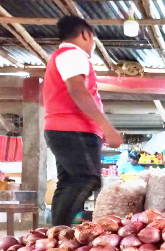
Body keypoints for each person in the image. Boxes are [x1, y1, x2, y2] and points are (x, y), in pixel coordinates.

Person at [44, 16, 124, 226]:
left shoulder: (61, 56)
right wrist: (107, 128)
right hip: (74, 128)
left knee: (70, 181)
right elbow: (78, 92)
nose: (93, 45)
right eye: (93, 40)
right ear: (86, 35)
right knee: (86, 178)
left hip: (63, 129)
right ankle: (61, 232)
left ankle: (60, 234)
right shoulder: (72, 54)